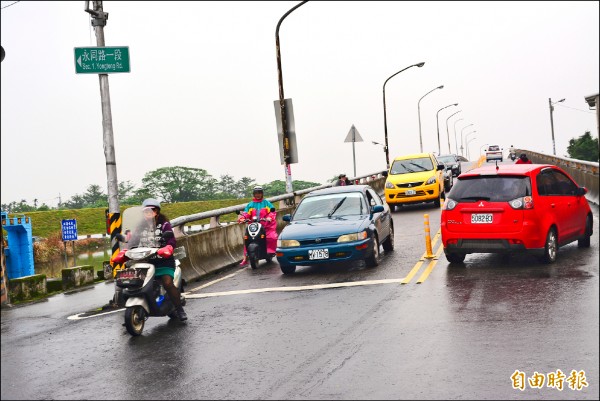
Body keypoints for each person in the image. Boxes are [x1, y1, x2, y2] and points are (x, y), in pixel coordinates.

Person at [112, 198, 187, 321]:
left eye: (151, 211)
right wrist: (127, 246)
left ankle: (179, 309)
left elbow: (171, 240)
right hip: (146, 260)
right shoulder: (141, 226)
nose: (148, 214)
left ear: (156, 212)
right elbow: (134, 240)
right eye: (146, 211)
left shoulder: (164, 225)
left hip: (163, 260)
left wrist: (168, 247)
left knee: (167, 282)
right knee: (133, 281)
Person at [237, 186, 278, 266]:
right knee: (247, 239)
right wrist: (243, 218)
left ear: (262, 194)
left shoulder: (266, 203)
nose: (258, 195)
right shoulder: (250, 205)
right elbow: (246, 213)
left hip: (266, 226)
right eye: (256, 193)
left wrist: (269, 217)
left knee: (272, 237)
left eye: (259, 193)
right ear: (254, 194)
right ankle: (245, 258)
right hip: (254, 226)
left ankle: (271, 252)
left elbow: (272, 212)